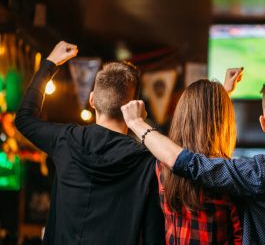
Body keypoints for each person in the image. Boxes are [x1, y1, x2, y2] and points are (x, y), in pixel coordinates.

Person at [121, 74, 265, 245]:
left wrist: (136, 122)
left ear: (264, 123)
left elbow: (182, 159)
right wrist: (219, 100)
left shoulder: (161, 167)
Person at [15, 42, 164, 245]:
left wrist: (49, 65)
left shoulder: (66, 140)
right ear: (134, 107)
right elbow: (153, 234)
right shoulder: (147, 161)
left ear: (92, 100)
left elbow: (24, 118)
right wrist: (139, 124)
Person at [155, 78, 242, 244]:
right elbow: (240, 235)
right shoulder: (225, 172)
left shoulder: (162, 164)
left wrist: (221, 95)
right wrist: (219, 101)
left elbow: (199, 116)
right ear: (223, 121)